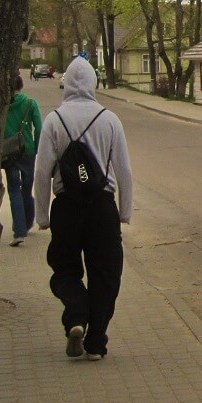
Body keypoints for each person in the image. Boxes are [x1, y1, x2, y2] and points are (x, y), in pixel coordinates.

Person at [34, 57, 134, 361]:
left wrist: (41, 215)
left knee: (64, 267)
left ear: (66, 85)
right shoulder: (109, 119)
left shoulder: (54, 120)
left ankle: (76, 314)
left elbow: (41, 172)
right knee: (106, 274)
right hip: (102, 207)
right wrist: (124, 212)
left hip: (65, 207)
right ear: (93, 84)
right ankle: (95, 343)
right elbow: (124, 171)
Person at [3, 73, 43, 246]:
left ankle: (19, 232)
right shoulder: (30, 103)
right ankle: (27, 222)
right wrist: (37, 147)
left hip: (9, 152)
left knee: (14, 190)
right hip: (28, 151)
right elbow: (40, 128)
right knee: (26, 189)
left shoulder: (3, 106)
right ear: (21, 86)